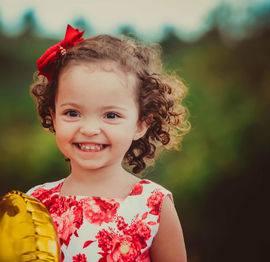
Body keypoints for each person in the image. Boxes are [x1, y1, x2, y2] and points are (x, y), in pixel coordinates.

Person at [26, 25, 190, 262]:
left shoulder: (154, 204)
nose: (90, 129)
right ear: (53, 115)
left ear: (141, 124)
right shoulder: (36, 203)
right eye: (72, 113)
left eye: (111, 115)